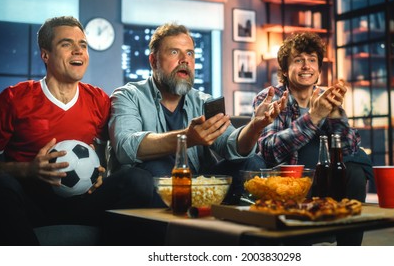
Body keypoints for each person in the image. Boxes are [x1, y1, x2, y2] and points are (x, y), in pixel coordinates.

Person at [0, 16, 150, 245]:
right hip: (31, 204)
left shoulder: (98, 99)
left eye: (83, 45)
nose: (78, 51)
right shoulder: (14, 99)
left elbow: (118, 150)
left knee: (138, 180)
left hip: (84, 201)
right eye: (66, 44)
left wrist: (100, 174)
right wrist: (27, 169)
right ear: (45, 54)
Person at [109, 22, 287, 206]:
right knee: (159, 167)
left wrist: (254, 127)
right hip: (154, 188)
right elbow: (125, 147)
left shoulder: (204, 101)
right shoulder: (127, 96)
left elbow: (231, 145)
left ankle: (234, 228)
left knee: (253, 163)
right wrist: (187, 138)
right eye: (174, 52)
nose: (184, 59)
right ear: (153, 61)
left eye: (190, 53)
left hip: (200, 188)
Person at [253, 31, 373, 245]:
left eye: (312, 60)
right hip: (290, 181)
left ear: (318, 68)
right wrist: (314, 116)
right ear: (285, 69)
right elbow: (269, 150)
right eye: (298, 60)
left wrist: (336, 116)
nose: (306, 66)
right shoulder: (269, 97)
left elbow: (349, 149)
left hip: (326, 179)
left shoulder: (326, 97)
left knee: (355, 169)